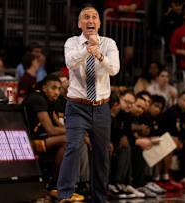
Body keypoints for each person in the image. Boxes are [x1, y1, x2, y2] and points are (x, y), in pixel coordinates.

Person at [56, 6, 120, 203]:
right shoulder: (72, 42)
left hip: (101, 107)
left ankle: (99, 198)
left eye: (94, 17)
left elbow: (114, 69)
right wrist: (87, 49)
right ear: (79, 23)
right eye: (85, 17)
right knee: (73, 146)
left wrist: (99, 54)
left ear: (99, 23)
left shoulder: (108, 43)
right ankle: (65, 195)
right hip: (76, 106)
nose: (90, 20)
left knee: (101, 154)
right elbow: (70, 63)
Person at [159, 90, 185, 189]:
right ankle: (183, 177)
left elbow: (184, 131)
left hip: (178, 138)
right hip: (166, 138)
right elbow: (173, 131)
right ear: (179, 100)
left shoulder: (184, 113)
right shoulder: (172, 111)